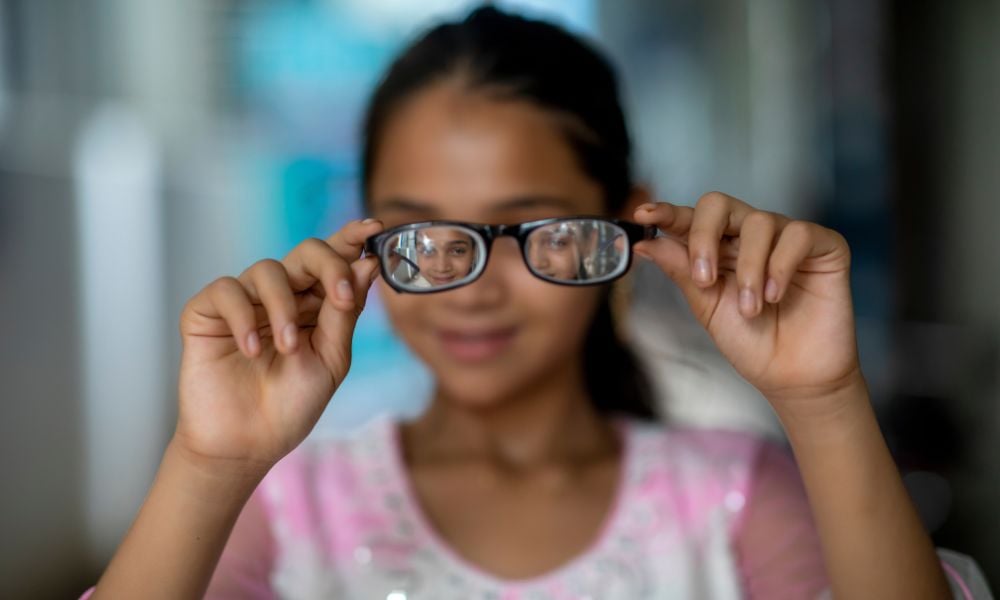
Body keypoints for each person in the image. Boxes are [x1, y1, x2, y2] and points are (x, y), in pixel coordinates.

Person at [82, 6, 991, 599]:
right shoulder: (289, 506)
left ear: (628, 223)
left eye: (538, 231)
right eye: (426, 236)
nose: (473, 288)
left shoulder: (736, 495)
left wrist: (824, 403)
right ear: (369, 235)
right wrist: (207, 463)